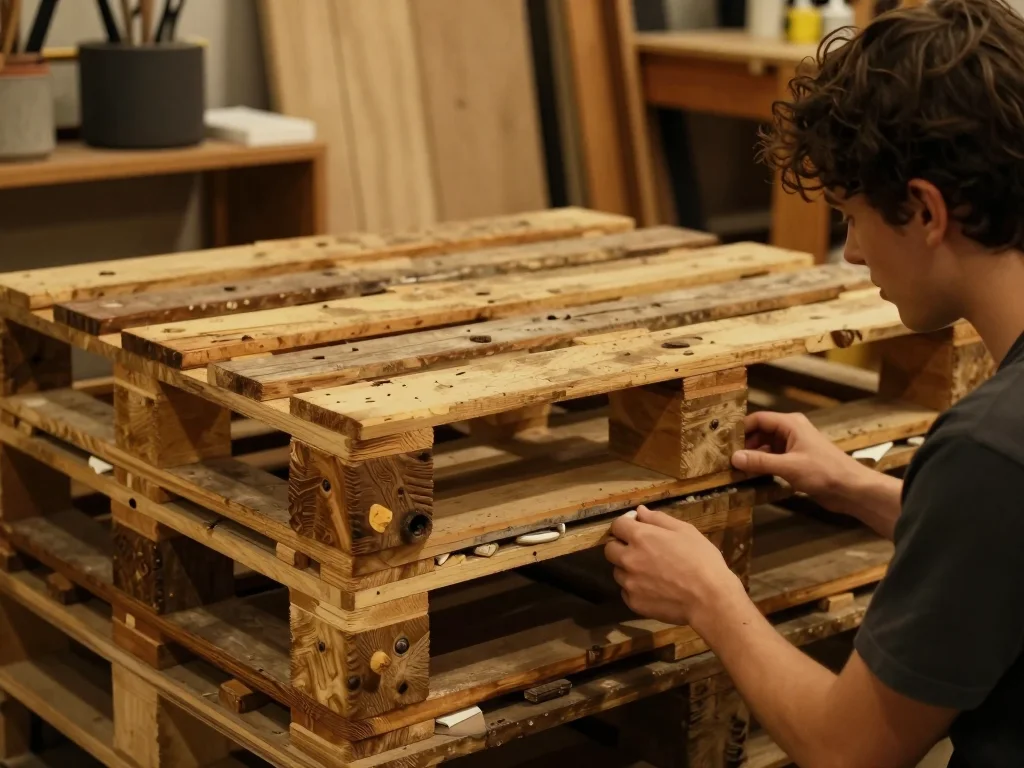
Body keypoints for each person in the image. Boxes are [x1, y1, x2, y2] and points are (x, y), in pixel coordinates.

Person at [604, 1, 1024, 766]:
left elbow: (847, 748)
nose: (854, 254)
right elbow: (1003, 547)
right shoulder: (998, 463)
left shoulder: (991, 448)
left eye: (851, 218)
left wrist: (709, 594)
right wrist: (857, 487)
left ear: (926, 211)